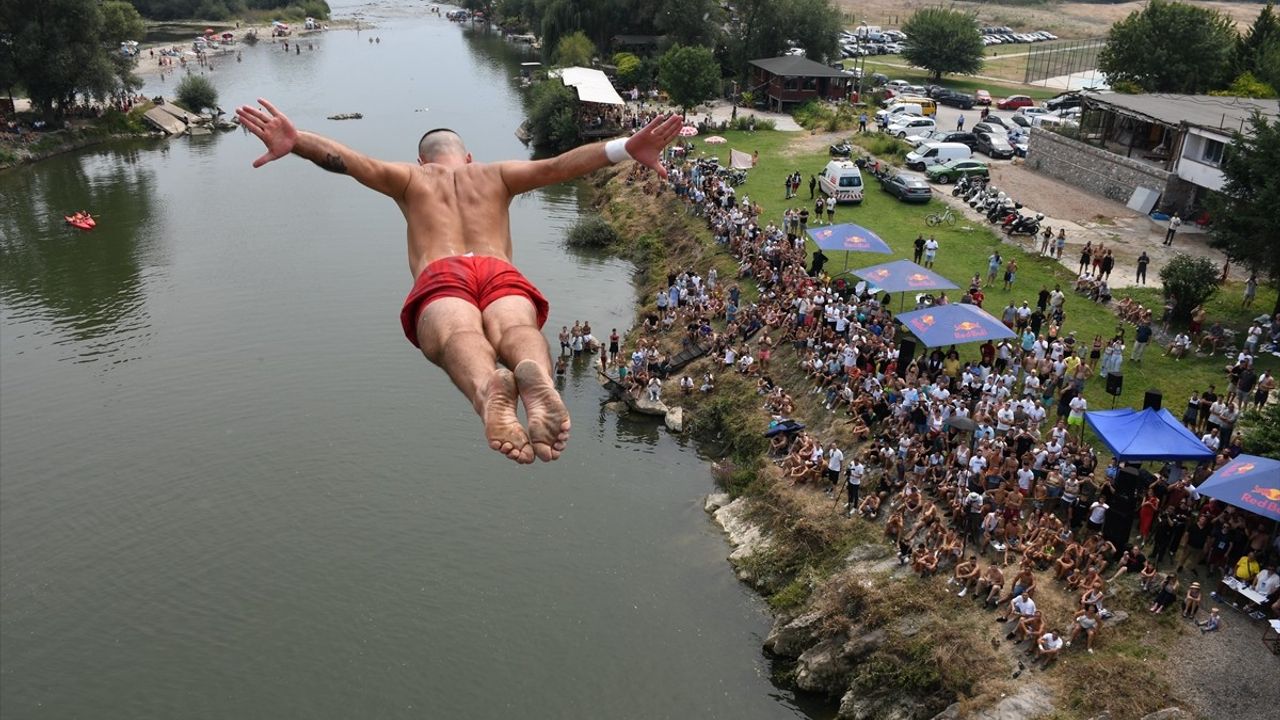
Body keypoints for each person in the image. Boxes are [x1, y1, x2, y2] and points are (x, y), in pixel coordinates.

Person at [236, 98, 681, 464]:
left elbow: (350, 162)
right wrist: (627, 146)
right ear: (468, 157)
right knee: (517, 330)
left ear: (422, 159)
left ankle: (489, 390)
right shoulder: (495, 173)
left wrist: (297, 142)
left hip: (443, 272)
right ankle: (533, 375)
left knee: (455, 335)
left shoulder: (410, 177)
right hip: (497, 268)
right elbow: (560, 167)